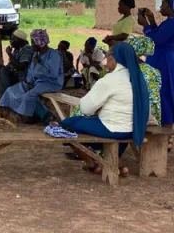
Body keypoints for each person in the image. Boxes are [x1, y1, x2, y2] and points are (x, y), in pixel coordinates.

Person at [60, 42, 149, 176]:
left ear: (113, 58)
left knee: (66, 125)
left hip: (112, 128)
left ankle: (93, 164)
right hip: (133, 129)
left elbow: (86, 109)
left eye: (107, 57)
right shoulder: (137, 78)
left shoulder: (110, 79)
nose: (106, 61)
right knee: (94, 126)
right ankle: (118, 163)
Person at [0, 29, 63, 123]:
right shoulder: (36, 54)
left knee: (29, 96)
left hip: (51, 83)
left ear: (40, 43)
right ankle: (32, 114)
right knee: (11, 91)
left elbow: (52, 74)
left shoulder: (54, 55)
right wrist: (29, 82)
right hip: (36, 82)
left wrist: (39, 64)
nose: (32, 45)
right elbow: (31, 72)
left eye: (33, 42)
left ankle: (46, 115)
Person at [139, 0, 174, 141]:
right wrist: (152, 22)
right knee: (160, 93)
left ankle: (165, 135)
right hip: (161, 60)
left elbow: (155, 40)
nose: (161, 7)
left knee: (163, 93)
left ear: (171, 8)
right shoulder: (168, 22)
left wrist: (145, 26)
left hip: (164, 63)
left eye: (163, 5)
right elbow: (159, 34)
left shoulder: (172, 23)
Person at [0, 30, 33, 97]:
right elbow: (11, 64)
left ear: (20, 40)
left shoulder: (27, 49)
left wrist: (10, 54)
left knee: (3, 70)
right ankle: (4, 92)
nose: (10, 41)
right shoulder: (17, 48)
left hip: (22, 77)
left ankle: (6, 96)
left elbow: (21, 67)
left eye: (13, 39)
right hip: (15, 73)